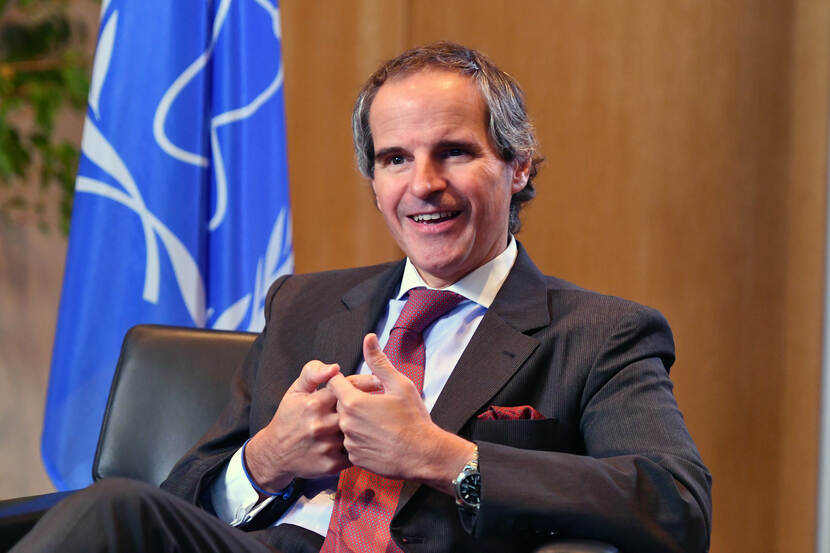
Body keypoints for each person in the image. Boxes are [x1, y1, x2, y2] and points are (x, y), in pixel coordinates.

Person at [12, 41, 711, 553]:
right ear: (374, 182)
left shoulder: (599, 332)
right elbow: (177, 503)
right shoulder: (303, 306)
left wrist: (443, 456)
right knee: (118, 512)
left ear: (517, 166)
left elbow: (676, 504)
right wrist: (267, 459)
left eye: (454, 151)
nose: (423, 184)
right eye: (395, 158)